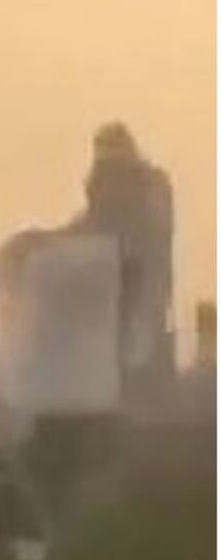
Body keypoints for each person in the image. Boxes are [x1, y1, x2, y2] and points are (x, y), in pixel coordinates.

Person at [71, 122, 173, 397]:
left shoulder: (149, 181)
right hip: (114, 277)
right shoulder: (107, 179)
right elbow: (92, 221)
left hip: (141, 275)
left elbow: (154, 227)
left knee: (142, 340)